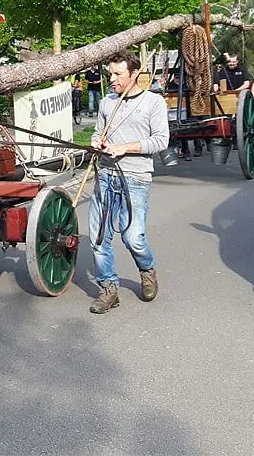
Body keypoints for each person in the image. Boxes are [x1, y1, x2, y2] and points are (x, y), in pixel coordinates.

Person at [88, 51, 169, 315]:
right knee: (99, 238)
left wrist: (125, 147)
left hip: (136, 177)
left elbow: (161, 140)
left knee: (133, 237)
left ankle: (147, 269)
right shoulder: (106, 103)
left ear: (134, 74)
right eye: (110, 73)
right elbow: (98, 133)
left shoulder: (153, 102)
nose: (112, 79)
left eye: (117, 74)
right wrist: (97, 142)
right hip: (105, 175)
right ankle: (108, 289)